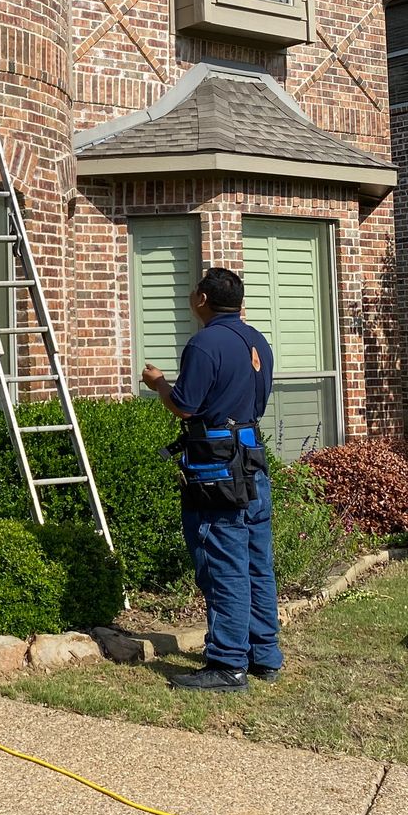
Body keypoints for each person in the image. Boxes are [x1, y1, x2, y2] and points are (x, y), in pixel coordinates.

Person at [141, 268, 283, 693]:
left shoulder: (205, 343)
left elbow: (186, 407)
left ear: (202, 298)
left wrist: (158, 383)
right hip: (253, 461)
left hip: (218, 470)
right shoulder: (257, 339)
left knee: (223, 564)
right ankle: (264, 655)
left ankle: (227, 664)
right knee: (258, 562)